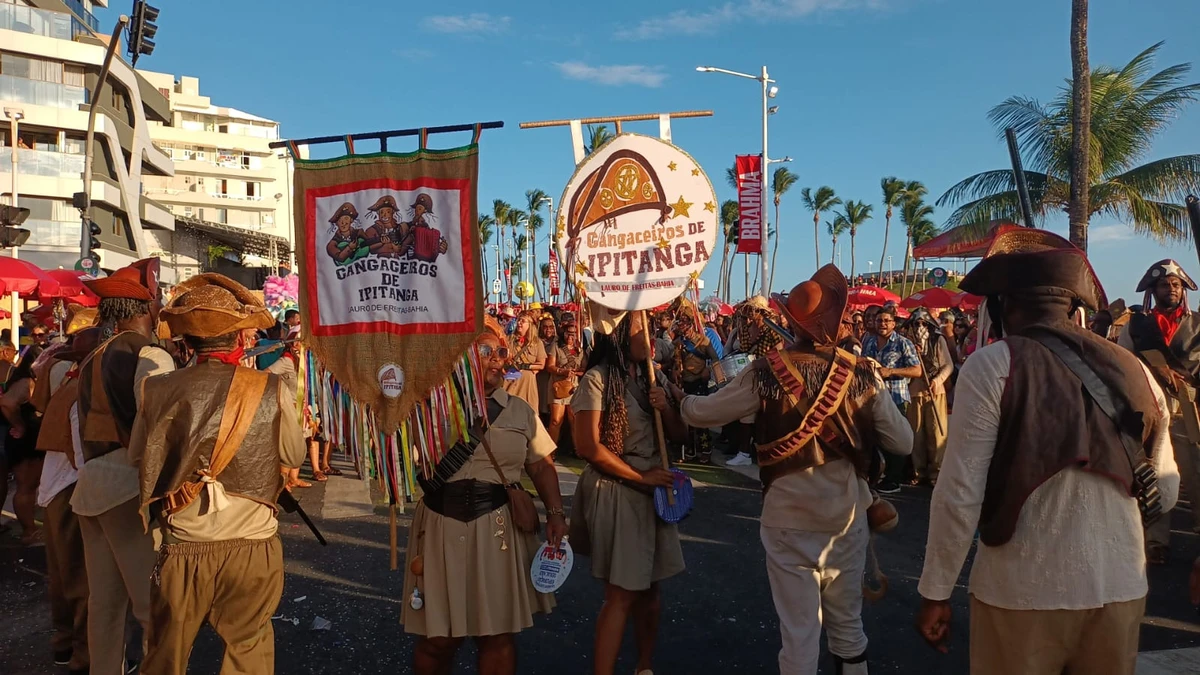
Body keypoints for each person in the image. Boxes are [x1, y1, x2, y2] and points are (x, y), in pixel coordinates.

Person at [916, 231, 1178, 675]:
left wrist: (936, 591)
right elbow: (1166, 494)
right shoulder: (1136, 369)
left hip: (1021, 592)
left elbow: (959, 494)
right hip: (1121, 587)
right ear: (1072, 306)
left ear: (1004, 306)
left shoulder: (992, 365)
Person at [664, 265, 912, 675]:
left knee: (799, 638)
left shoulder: (766, 370)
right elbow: (902, 442)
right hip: (846, 521)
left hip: (787, 520)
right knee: (848, 632)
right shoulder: (862, 372)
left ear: (791, 323)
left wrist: (679, 398)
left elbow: (704, 413)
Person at [125, 274, 302, 674]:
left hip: (184, 545)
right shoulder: (271, 387)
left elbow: (138, 457)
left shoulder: (156, 389)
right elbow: (292, 454)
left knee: (166, 655)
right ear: (240, 338)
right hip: (253, 543)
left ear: (187, 342)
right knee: (248, 647)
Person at [401, 317, 566, 675]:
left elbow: (541, 466)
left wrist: (555, 513)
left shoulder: (519, 410)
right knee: (438, 639)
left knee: (497, 636)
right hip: (440, 528)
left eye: (501, 352)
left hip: (498, 528)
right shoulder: (428, 404)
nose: (496, 359)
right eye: (485, 351)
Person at [570, 310, 686, 675]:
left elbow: (680, 436)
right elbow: (588, 447)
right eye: (641, 329)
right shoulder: (597, 379)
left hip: (655, 489)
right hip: (619, 488)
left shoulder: (656, 377)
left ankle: (644, 666)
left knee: (651, 591)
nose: (650, 337)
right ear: (619, 334)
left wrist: (666, 408)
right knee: (621, 593)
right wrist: (640, 477)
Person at [73, 265, 176, 675]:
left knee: (104, 605)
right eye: (158, 297)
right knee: (152, 606)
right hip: (128, 486)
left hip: (91, 485)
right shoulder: (149, 354)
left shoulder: (93, 355)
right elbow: (158, 426)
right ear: (147, 305)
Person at [1119, 259, 1200, 564]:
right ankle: (1156, 540)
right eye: (1165, 284)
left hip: (1191, 408)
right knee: (1153, 472)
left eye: (1176, 284)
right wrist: (1155, 371)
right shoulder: (1136, 325)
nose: (1171, 289)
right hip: (1149, 406)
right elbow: (1123, 363)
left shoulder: (1199, 323)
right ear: (1153, 291)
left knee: (1195, 471)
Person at [35, 324, 101, 675]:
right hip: (72, 488)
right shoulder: (82, 388)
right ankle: (83, 655)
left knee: (63, 575)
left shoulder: (66, 381)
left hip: (55, 487)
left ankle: (64, 645)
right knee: (80, 576)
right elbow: (82, 455)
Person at [861, 306, 921, 493]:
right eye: (879, 320)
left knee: (894, 436)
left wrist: (891, 371)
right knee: (872, 436)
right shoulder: (868, 342)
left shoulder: (903, 343)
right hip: (872, 396)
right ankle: (876, 475)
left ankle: (894, 479)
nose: (883, 324)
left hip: (896, 396)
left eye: (887, 321)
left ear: (894, 324)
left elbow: (917, 370)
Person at [903, 309, 953, 486]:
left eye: (923, 324)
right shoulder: (907, 342)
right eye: (916, 324)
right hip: (914, 391)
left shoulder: (937, 340)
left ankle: (936, 472)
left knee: (936, 433)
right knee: (916, 433)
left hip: (935, 391)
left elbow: (948, 365)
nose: (920, 327)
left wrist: (937, 380)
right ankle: (919, 470)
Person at [0, 341, 43, 545]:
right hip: (23, 440)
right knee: (26, 486)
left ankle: (29, 529)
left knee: (27, 486)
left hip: (23, 437)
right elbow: (7, 403)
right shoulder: (26, 382)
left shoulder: (24, 378)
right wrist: (20, 425)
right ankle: (29, 531)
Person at [670, 298, 720, 463]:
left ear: (692, 324)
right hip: (685, 383)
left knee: (700, 418)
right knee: (687, 419)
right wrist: (675, 370)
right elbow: (675, 361)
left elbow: (715, 359)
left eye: (685, 322)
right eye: (680, 322)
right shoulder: (679, 343)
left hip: (700, 382)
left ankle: (705, 450)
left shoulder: (703, 341)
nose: (682, 326)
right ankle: (690, 450)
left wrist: (708, 368)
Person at [546, 319, 585, 445]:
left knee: (574, 420)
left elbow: (585, 368)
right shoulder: (556, 346)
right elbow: (549, 366)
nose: (570, 336)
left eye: (573, 334)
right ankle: (550, 451)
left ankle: (579, 450)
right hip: (558, 386)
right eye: (568, 333)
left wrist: (576, 372)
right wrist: (562, 371)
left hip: (574, 387)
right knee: (555, 420)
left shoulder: (581, 349)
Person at [504, 310, 546, 412]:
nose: (519, 323)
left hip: (528, 383)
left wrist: (525, 366)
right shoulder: (508, 340)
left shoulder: (537, 343)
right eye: (519, 320)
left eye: (523, 321)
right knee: (507, 410)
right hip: (511, 379)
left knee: (529, 412)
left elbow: (541, 364)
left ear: (530, 324)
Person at [535, 315, 558, 422]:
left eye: (550, 327)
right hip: (541, 378)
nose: (548, 329)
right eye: (545, 327)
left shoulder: (558, 342)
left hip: (554, 377)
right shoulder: (536, 342)